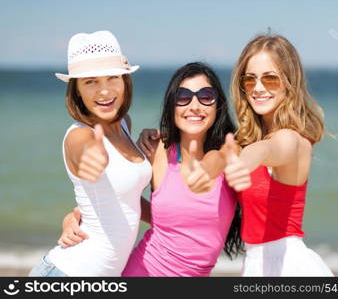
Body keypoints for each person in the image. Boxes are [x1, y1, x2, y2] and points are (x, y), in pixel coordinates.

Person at [60, 62, 247, 276]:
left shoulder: (232, 154)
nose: (194, 106)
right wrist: (74, 217)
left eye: (205, 96)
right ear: (172, 105)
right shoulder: (158, 150)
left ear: (218, 104)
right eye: (183, 97)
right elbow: (118, 195)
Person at [28, 31, 152, 276]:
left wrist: (175, 218)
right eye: (90, 81)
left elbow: (124, 198)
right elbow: (84, 151)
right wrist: (92, 158)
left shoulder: (125, 124)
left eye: (112, 78)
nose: (104, 91)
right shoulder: (79, 136)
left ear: (125, 81)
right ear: (78, 91)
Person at [223, 33, 334, 276]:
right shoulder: (246, 140)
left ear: (289, 82)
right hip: (255, 263)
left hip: (288, 266)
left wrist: (244, 160)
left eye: (270, 79)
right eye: (250, 80)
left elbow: (271, 150)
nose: (258, 88)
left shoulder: (293, 139)